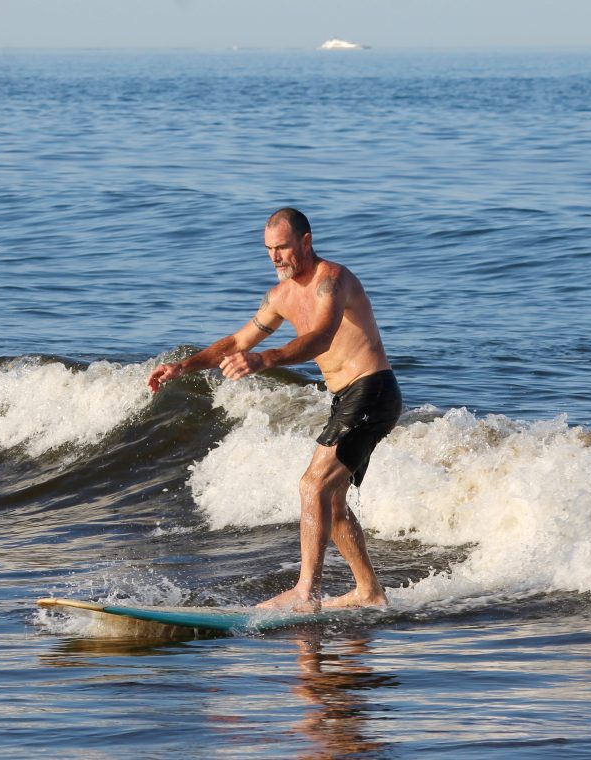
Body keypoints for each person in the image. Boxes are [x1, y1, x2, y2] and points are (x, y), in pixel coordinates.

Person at [147, 207, 402, 611]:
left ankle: (307, 593)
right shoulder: (279, 296)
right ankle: (368, 590)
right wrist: (184, 366)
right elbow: (237, 341)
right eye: (268, 249)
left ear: (306, 240)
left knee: (311, 486)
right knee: (331, 500)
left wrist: (265, 360)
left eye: (282, 247)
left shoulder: (332, 281)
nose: (275, 257)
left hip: (372, 390)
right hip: (346, 398)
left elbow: (320, 337)